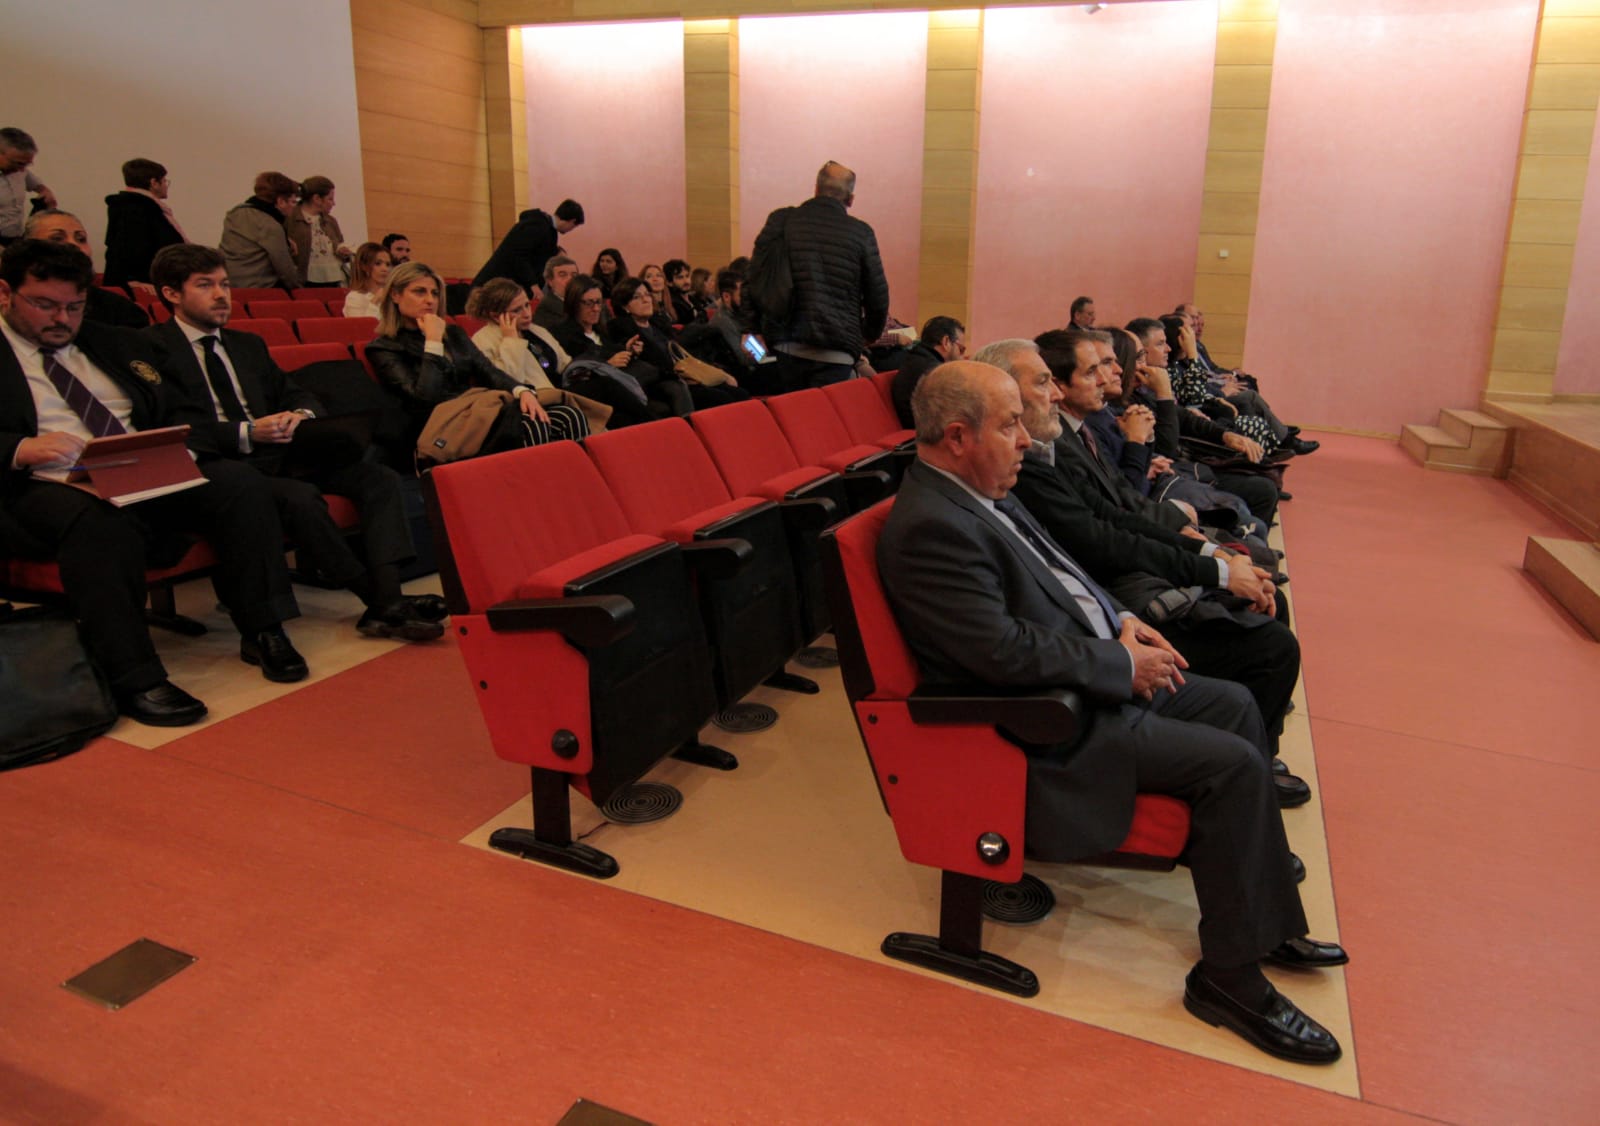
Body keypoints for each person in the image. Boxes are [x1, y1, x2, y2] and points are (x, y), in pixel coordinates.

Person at [878, 359, 1345, 1065]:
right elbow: (998, 652)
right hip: (1042, 725)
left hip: (1087, 671)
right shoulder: (931, 526)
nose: (1026, 441)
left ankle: (1262, 919)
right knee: (1233, 765)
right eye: (1009, 426)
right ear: (956, 436)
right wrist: (1119, 668)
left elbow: (1068, 573)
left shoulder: (984, 488)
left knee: (1236, 702)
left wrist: (1121, 621)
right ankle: (1228, 978)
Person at [0, 239, 309, 724]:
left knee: (238, 484)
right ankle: (134, 677)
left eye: (74, 307)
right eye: (44, 305)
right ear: (5, 293)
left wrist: (173, 445)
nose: (61, 318)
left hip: (134, 466)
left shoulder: (116, 342)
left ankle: (264, 627)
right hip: (37, 482)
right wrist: (19, 448)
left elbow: (181, 408)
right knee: (97, 522)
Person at [979, 338, 1304, 795]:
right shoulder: (1030, 462)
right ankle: (1252, 761)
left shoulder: (1057, 442)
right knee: (1270, 646)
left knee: (1256, 588)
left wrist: (1206, 555)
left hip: (1116, 599)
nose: (1109, 375)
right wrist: (1205, 570)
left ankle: (1254, 753)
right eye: (1092, 369)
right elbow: (1096, 544)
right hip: (1114, 602)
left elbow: (1114, 513)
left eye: (1111, 363)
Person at [145, 244, 441, 643]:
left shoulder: (245, 344)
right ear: (171, 294)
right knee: (300, 499)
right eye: (205, 285)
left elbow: (296, 393)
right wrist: (249, 431)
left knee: (378, 477)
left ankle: (388, 597)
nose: (221, 295)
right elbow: (171, 424)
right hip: (223, 467)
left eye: (225, 284)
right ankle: (379, 602)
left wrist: (298, 416)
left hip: (281, 451)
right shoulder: (152, 350)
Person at [366, 261, 572, 454]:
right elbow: (424, 400)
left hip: (474, 410)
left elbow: (487, 370)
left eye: (435, 293)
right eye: (419, 292)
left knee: (566, 415)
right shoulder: (384, 348)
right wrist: (433, 342)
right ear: (395, 295)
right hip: (439, 424)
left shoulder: (454, 334)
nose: (430, 300)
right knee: (530, 423)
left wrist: (521, 390)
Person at [750, 161, 889, 392]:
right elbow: (878, 295)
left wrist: (753, 327)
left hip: (788, 342)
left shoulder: (782, 220)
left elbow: (756, 276)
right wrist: (867, 335)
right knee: (825, 422)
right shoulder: (861, 233)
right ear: (850, 199)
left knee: (792, 419)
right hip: (837, 349)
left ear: (815, 189)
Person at [464, 278, 610, 436]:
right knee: (572, 414)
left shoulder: (536, 330)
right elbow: (510, 381)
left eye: (527, 305)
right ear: (495, 316)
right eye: (517, 310)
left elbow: (565, 363)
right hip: (526, 403)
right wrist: (511, 340)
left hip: (558, 390)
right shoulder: (483, 340)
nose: (527, 314)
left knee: (607, 385)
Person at [606, 277, 748, 412]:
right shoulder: (623, 328)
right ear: (625, 306)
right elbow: (650, 364)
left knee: (740, 394)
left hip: (688, 374)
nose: (646, 300)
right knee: (722, 398)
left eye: (647, 295)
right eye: (637, 297)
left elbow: (683, 352)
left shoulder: (658, 324)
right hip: (667, 382)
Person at [553, 274, 684, 418]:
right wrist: (608, 364)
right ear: (574, 303)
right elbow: (577, 370)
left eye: (599, 302)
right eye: (589, 303)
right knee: (665, 396)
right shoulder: (564, 334)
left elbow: (612, 351)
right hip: (602, 392)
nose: (596, 308)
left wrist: (628, 350)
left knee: (676, 387)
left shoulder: (601, 331)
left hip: (630, 383)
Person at [24, 211, 148, 329]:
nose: (73, 245)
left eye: (81, 239)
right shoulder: (13, 306)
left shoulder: (121, 312)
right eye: (57, 238)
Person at [102, 158, 187, 290]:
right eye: (164, 181)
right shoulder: (138, 209)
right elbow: (131, 250)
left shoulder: (128, 206)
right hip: (145, 285)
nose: (166, 185)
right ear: (154, 183)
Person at [471, 200, 583, 290]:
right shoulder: (538, 226)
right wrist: (533, 284)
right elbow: (518, 256)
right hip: (497, 284)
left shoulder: (546, 228)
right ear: (572, 221)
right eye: (573, 227)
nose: (570, 230)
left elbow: (538, 250)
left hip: (506, 284)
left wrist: (557, 253)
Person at [220, 171, 302, 290]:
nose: (295, 207)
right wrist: (299, 290)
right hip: (259, 288)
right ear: (280, 202)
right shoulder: (271, 226)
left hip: (230, 285)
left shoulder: (234, 213)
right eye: (293, 202)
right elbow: (285, 270)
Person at [890, 315, 966, 428]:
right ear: (946, 342)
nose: (962, 357)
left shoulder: (917, 359)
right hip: (927, 435)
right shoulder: (934, 372)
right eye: (961, 349)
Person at [284, 176, 350, 288]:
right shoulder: (290, 219)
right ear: (317, 199)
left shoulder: (331, 221)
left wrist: (342, 251)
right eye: (330, 199)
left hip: (333, 278)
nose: (333, 203)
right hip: (305, 280)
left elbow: (339, 244)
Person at [0, 129, 57, 245]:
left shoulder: (19, 171)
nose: (22, 169)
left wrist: (45, 191)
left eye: (27, 164)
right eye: (18, 163)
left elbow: (36, 184)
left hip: (15, 238)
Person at [342, 243, 390, 319]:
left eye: (387, 264)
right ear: (363, 266)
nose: (385, 269)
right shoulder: (354, 297)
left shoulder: (391, 294)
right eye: (378, 263)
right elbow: (363, 328)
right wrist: (376, 300)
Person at [531, 255, 578, 330]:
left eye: (574, 276)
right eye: (563, 275)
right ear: (550, 281)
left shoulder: (584, 303)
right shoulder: (548, 308)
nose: (570, 280)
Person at [663, 258, 698, 325]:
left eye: (687, 276)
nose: (686, 281)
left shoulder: (692, 298)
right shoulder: (672, 303)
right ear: (669, 282)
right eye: (680, 277)